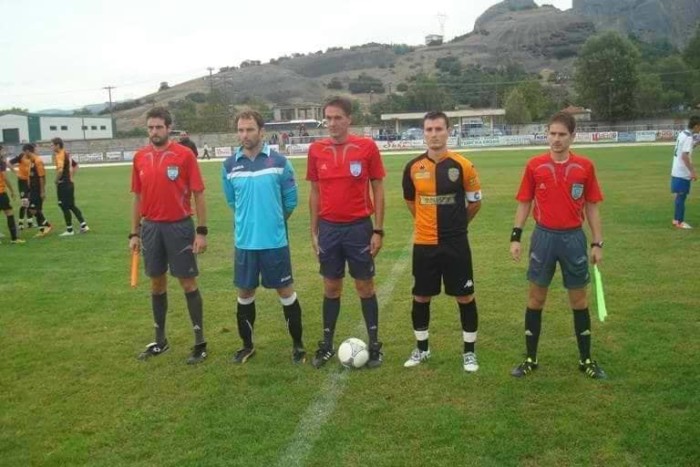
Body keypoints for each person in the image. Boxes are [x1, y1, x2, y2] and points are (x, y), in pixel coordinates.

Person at [509, 111, 606, 379]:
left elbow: (592, 206)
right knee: (536, 298)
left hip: (573, 238)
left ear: (573, 136)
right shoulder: (534, 165)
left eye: (562, 134)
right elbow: (524, 202)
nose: (556, 139)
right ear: (547, 135)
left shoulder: (585, 167)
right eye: (552, 133)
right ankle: (530, 358)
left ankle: (586, 360)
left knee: (579, 299)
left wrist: (597, 242)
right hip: (543, 238)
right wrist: (516, 237)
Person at [306, 96, 386, 369]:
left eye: (337, 117)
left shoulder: (366, 147)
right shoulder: (316, 150)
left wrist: (378, 229)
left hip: (359, 228)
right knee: (331, 287)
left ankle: (374, 346)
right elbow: (314, 192)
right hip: (329, 229)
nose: (332, 123)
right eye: (328, 118)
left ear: (349, 119)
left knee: (365, 286)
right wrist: (314, 230)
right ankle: (327, 345)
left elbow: (378, 188)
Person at [401, 111, 483, 372]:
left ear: (448, 131)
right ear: (424, 133)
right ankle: (422, 349)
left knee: (465, 296)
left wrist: (458, 226)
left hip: (455, 243)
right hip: (424, 243)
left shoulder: (463, 165)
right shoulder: (413, 167)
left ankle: (469, 353)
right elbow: (411, 202)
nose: (434, 134)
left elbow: (475, 202)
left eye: (439, 129)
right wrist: (427, 223)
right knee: (421, 295)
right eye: (429, 129)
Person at [222, 110, 305, 364]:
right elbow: (232, 202)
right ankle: (247, 346)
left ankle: (298, 345)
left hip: (274, 243)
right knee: (245, 293)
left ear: (261, 132)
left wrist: (273, 222)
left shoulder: (279, 162)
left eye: (249, 129)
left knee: (286, 292)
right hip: (245, 244)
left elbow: (290, 201)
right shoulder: (229, 166)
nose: (244, 135)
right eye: (240, 130)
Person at [129, 107, 209, 365]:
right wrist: (134, 232)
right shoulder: (140, 157)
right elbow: (137, 197)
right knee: (156, 283)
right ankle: (160, 341)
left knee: (188, 283)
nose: (154, 132)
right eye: (150, 127)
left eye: (159, 127)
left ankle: (200, 343)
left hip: (179, 227)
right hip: (151, 228)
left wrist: (201, 231)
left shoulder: (184, 155)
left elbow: (198, 193)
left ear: (169, 128)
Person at [51, 138, 90, 236]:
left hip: (63, 184)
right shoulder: (66, 154)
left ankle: (69, 230)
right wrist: (71, 177)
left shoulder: (60, 155)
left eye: (52, 145)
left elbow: (60, 170)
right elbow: (75, 166)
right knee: (71, 205)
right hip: (69, 183)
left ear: (57, 145)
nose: (51, 147)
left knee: (64, 206)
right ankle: (84, 225)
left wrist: (56, 180)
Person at [671, 115, 699, 229]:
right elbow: (684, 156)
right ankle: (679, 222)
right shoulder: (688, 137)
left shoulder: (683, 133)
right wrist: (692, 171)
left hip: (676, 169)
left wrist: (696, 144)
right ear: (696, 126)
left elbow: (685, 149)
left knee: (679, 196)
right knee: (681, 196)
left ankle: (676, 220)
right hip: (682, 172)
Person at [24, 144, 52, 237]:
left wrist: (42, 191)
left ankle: (44, 228)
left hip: (37, 189)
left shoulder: (37, 161)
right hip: (32, 189)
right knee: (33, 209)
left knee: (33, 209)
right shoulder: (32, 161)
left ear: (27, 151)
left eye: (24, 152)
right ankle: (45, 226)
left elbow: (41, 176)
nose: (24, 155)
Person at [0, 148, 25, 245]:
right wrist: (12, 190)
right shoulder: (1, 163)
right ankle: (14, 239)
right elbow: (5, 177)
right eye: (2, 151)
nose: (3, 152)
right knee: (9, 213)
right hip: (1, 192)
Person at [8, 147, 33, 229]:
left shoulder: (33, 157)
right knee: (24, 202)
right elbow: (9, 163)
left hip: (30, 181)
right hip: (22, 182)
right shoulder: (21, 156)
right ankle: (20, 223)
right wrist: (16, 173)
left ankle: (30, 222)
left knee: (30, 201)